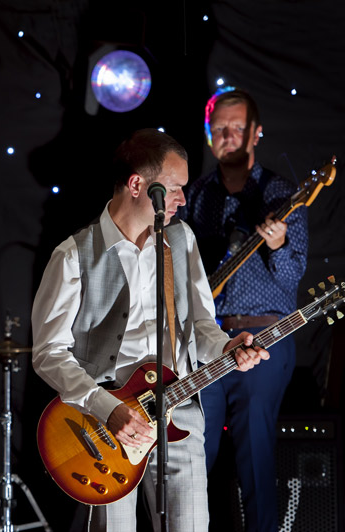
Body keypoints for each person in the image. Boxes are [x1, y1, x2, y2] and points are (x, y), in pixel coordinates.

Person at [31, 128, 269, 531]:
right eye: (175, 188)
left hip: (179, 414)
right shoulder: (73, 255)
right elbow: (48, 353)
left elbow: (198, 325)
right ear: (138, 184)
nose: (182, 199)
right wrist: (109, 408)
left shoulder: (181, 239)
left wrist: (228, 347)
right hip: (106, 427)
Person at [180, 88, 307, 532]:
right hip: (208, 341)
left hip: (266, 339)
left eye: (237, 128)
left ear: (256, 133)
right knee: (193, 456)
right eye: (220, 130)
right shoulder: (194, 196)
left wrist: (280, 244)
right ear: (209, 136)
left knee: (254, 458)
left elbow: (292, 279)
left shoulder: (282, 194)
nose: (228, 137)